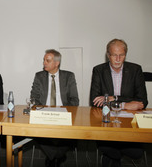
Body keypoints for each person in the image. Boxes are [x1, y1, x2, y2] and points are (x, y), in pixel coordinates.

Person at [90, 38, 148, 167]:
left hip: (130, 124)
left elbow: (142, 101)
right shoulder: (99, 70)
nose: (118, 59)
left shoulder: (135, 69)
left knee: (131, 151)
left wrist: (114, 99)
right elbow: (95, 100)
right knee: (110, 149)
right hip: (107, 123)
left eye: (121, 55)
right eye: (114, 55)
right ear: (108, 55)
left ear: (125, 55)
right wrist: (125, 104)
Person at [30, 49, 79, 167]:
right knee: (35, 131)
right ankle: (56, 156)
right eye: (44, 60)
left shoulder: (69, 76)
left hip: (64, 113)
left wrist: (63, 112)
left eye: (47, 60)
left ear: (56, 63)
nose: (44, 63)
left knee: (72, 133)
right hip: (44, 112)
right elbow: (34, 98)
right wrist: (43, 110)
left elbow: (74, 100)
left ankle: (52, 156)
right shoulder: (39, 76)